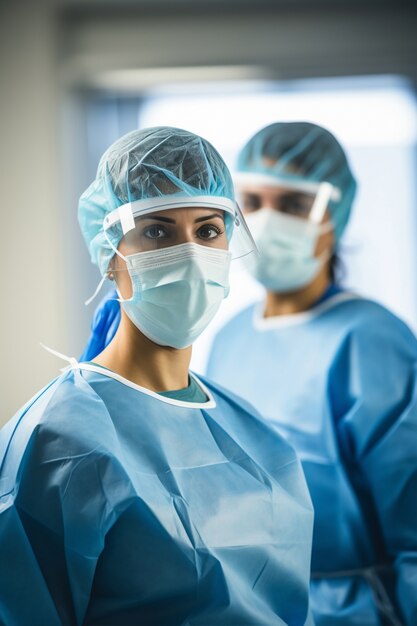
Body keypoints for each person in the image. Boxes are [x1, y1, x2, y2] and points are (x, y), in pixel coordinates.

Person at [0, 127, 314, 626]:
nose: (190, 254)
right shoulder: (56, 442)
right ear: (109, 253)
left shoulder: (250, 432)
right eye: (157, 231)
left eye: (208, 230)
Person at [206, 122, 417, 625]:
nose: (267, 219)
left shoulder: (372, 342)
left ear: (335, 213)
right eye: (251, 201)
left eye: (294, 204)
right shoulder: (230, 337)